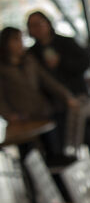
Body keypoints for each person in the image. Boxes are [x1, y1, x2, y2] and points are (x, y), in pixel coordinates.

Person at [0, 26, 76, 161]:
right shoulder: (3, 68)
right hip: (22, 118)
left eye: (21, 39)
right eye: (16, 40)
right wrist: (8, 115)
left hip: (42, 112)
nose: (20, 43)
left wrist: (66, 96)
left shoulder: (29, 60)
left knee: (54, 152)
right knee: (30, 157)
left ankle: (57, 180)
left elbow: (47, 81)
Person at [26, 11, 90, 99]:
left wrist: (62, 62)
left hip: (78, 94)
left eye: (39, 24)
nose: (37, 29)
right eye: (32, 26)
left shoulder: (66, 42)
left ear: (48, 23)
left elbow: (86, 62)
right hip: (51, 101)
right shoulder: (31, 53)